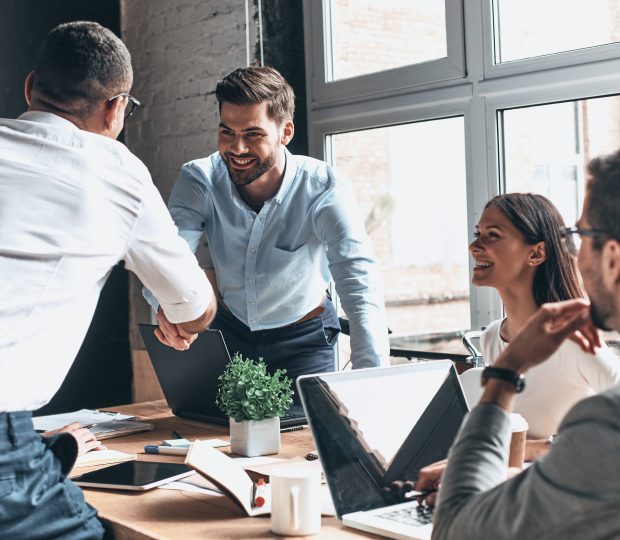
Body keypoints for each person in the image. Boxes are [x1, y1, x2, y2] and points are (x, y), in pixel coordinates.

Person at [0, 22, 216, 539]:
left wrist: (45, 447)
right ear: (116, 108)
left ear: (31, 88)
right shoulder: (116, 170)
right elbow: (195, 308)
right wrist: (176, 316)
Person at [149, 66, 389, 385]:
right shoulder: (200, 179)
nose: (237, 149)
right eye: (227, 132)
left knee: (307, 433)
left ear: (285, 132)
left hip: (303, 340)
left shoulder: (325, 188)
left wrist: (371, 380)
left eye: (253, 134)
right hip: (229, 333)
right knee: (214, 431)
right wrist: (167, 306)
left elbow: (358, 280)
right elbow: (168, 254)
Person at [425, 150, 620, 539]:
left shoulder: (586, 358)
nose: (475, 246)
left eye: (580, 238)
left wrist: (503, 377)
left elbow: (456, 530)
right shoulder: (490, 336)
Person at [470, 193, 620, 455]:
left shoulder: (571, 340)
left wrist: (532, 449)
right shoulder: (493, 336)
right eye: (477, 233)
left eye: (492, 235)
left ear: (536, 253)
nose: (475, 246)